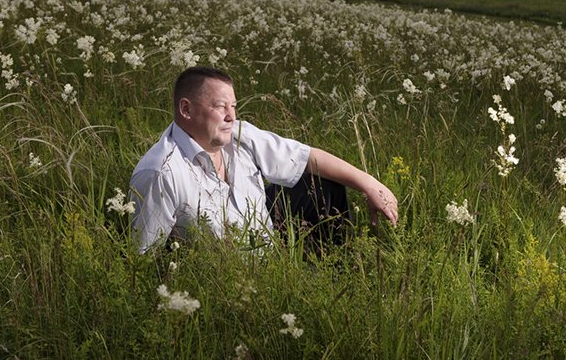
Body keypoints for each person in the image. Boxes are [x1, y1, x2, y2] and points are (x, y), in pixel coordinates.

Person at [130, 66, 398, 252]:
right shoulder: (160, 172)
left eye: (233, 106)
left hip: (266, 247)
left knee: (322, 186)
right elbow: (145, 257)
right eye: (220, 106)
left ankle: (333, 274)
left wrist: (370, 184)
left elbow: (306, 158)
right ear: (186, 109)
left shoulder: (240, 135)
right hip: (223, 280)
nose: (231, 116)